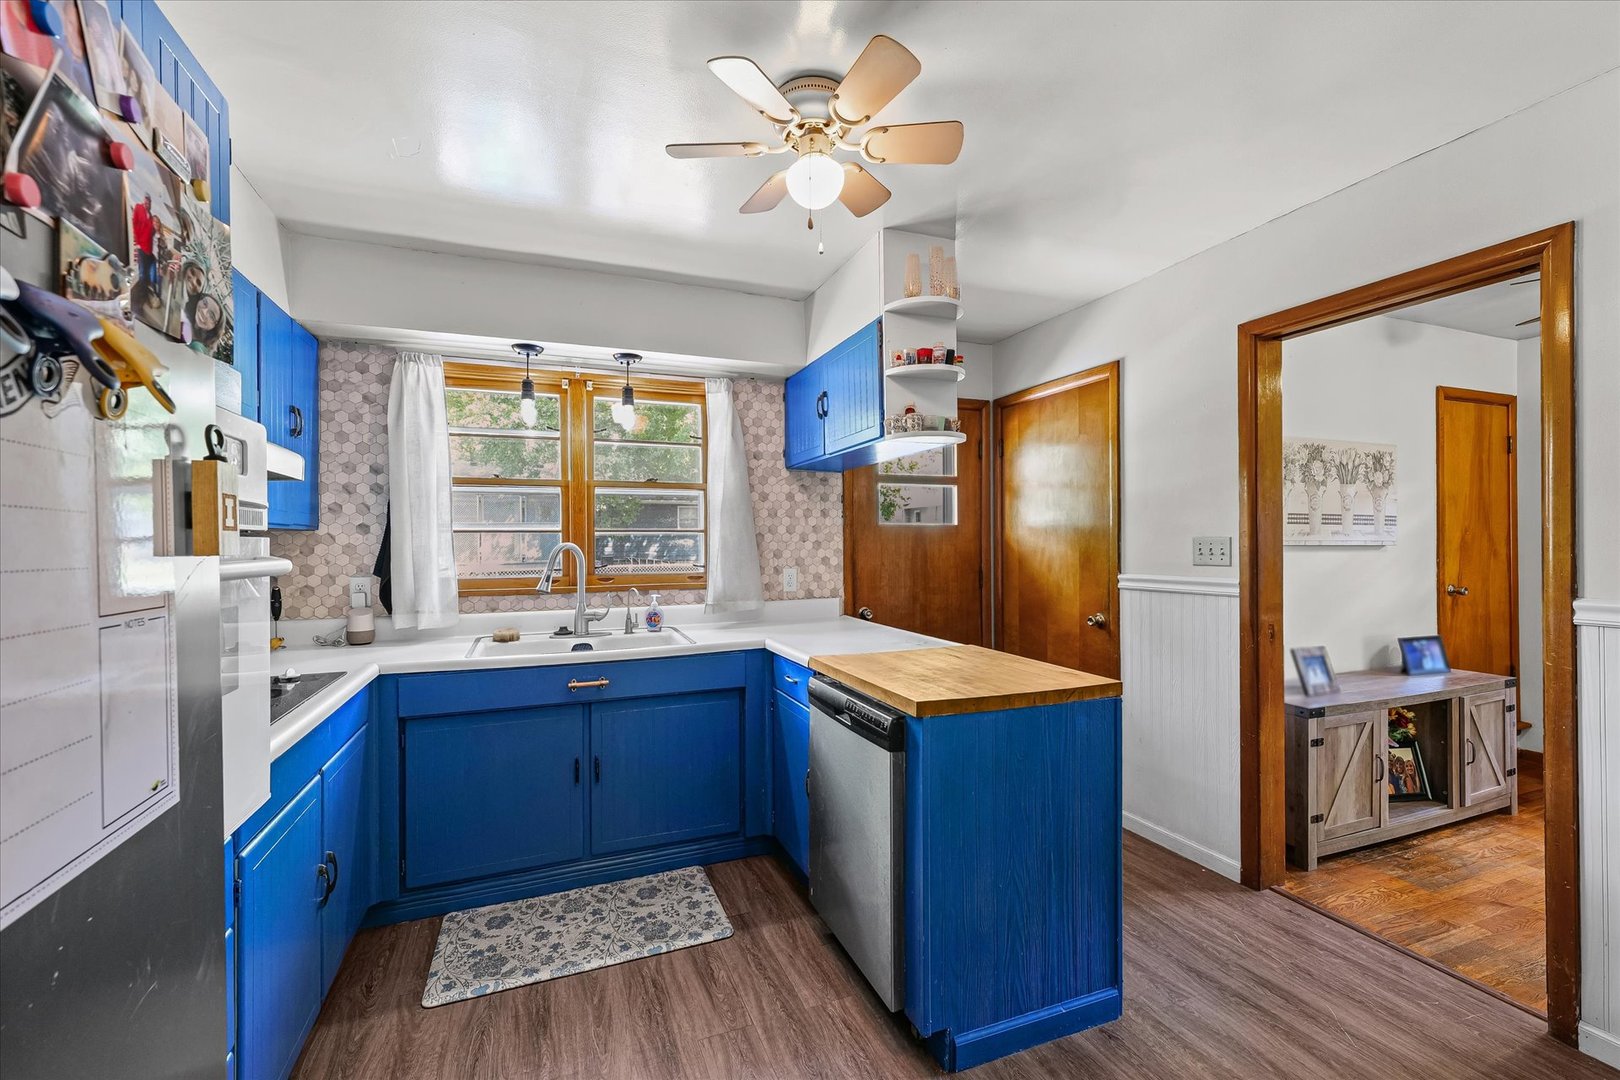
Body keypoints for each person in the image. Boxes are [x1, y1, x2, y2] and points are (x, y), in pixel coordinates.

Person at [132, 196, 157, 298]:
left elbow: (151, 233)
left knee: (146, 273)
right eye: (146, 202)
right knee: (142, 273)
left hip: (148, 250)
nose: (147, 205)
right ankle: (140, 296)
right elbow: (135, 223)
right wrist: (137, 241)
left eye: (149, 203)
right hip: (141, 247)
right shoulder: (138, 208)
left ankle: (146, 294)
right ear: (143, 202)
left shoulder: (151, 217)